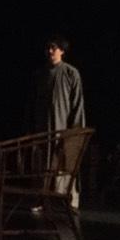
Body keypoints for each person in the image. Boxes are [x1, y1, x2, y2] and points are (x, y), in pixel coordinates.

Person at [29, 34, 86, 209]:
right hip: (43, 128)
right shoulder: (40, 74)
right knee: (43, 163)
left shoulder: (71, 73)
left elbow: (77, 104)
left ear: (62, 51)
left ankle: (67, 200)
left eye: (53, 48)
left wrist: (75, 132)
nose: (50, 51)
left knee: (64, 163)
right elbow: (33, 103)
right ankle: (42, 199)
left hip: (63, 128)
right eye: (48, 48)